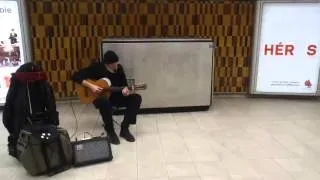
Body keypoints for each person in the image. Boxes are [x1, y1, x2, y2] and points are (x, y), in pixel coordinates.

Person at [72, 50, 142, 145]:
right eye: (113, 64)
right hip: (100, 97)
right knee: (104, 102)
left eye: (117, 62)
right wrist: (91, 86)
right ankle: (110, 130)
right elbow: (75, 76)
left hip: (116, 96)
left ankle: (124, 128)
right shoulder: (97, 68)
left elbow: (124, 85)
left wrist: (126, 91)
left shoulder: (119, 69)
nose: (116, 65)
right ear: (107, 64)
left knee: (136, 98)